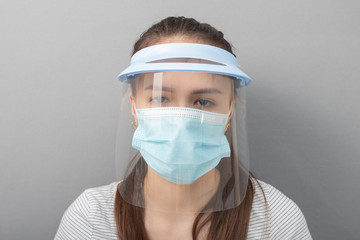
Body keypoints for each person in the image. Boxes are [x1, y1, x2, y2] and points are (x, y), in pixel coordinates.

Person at [55, 16, 312, 240]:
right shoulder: (91, 218)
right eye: (160, 98)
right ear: (133, 108)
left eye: (203, 101)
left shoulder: (275, 221)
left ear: (230, 111)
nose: (181, 122)